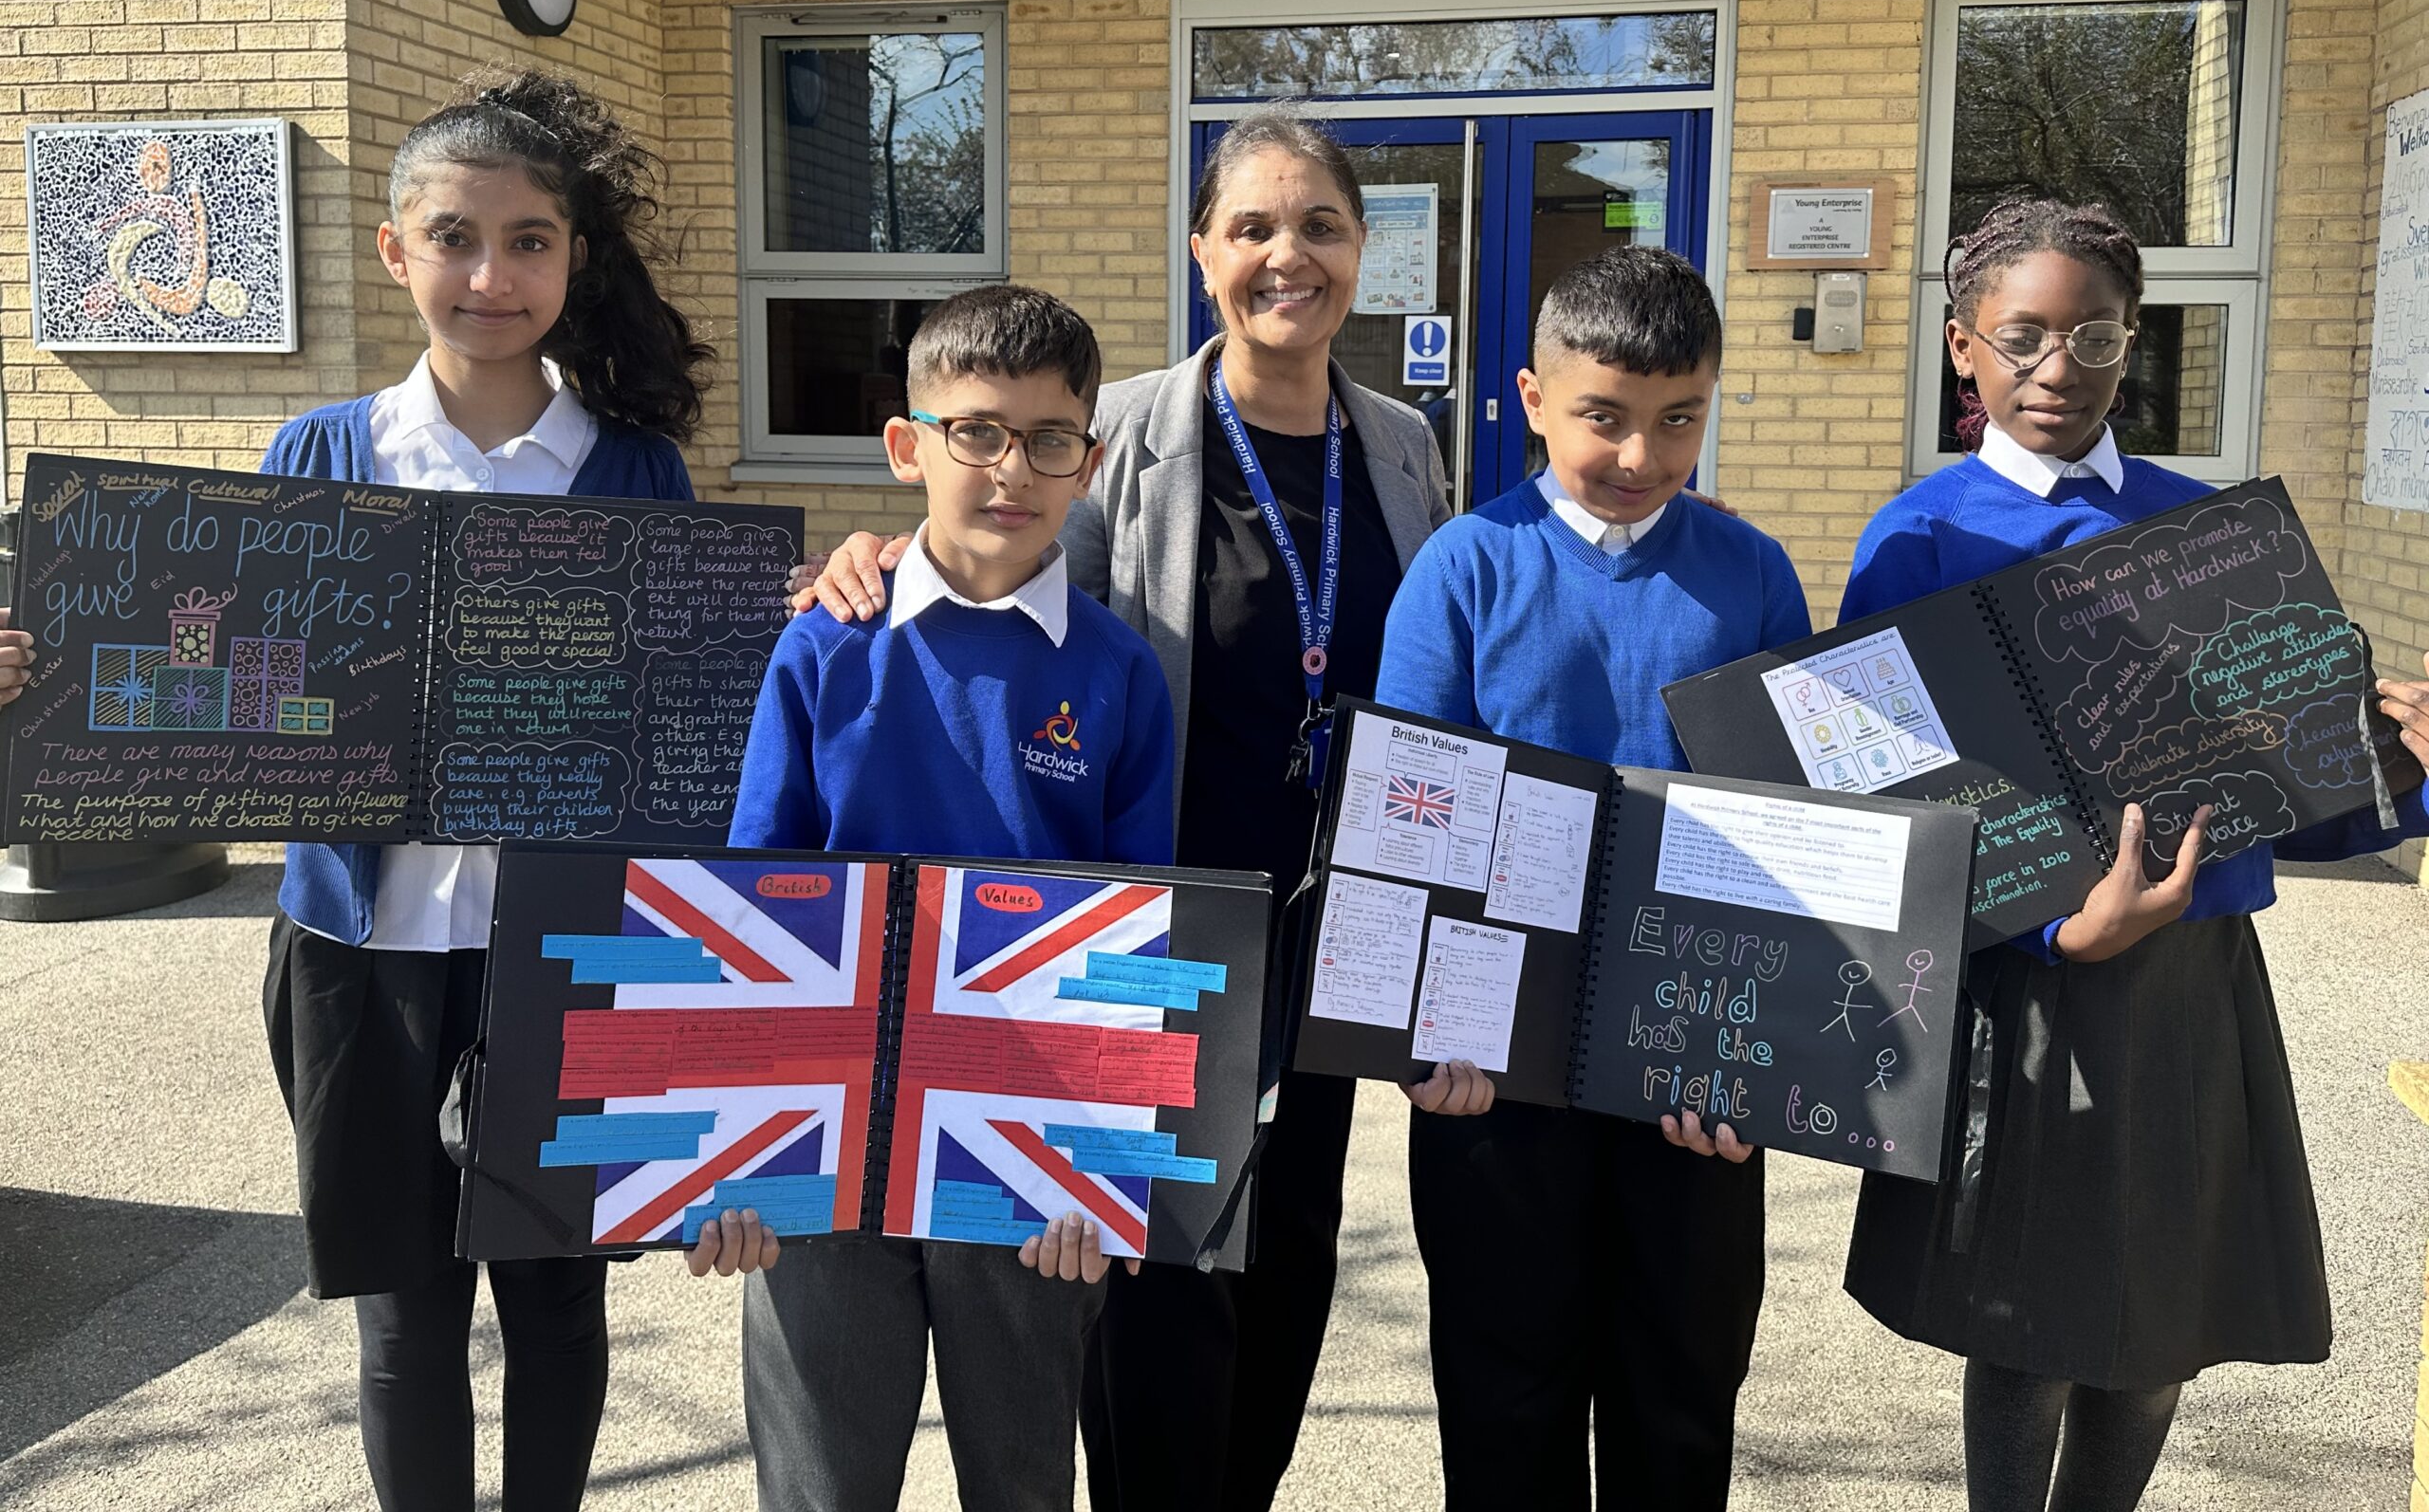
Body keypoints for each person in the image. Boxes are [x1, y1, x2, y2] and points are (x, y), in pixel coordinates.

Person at [803, 110, 1456, 1512]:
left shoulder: (1404, 446)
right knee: (1153, 1266)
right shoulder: (1135, 436)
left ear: (1363, 251)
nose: (1291, 255)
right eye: (1257, 227)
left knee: (1286, 1253)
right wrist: (872, 546)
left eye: (1323, 226)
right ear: (1205, 251)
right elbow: (1002, 569)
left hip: (1327, 938)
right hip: (1150, 936)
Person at [1837, 195, 2429, 1512]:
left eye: (2094, 336)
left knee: (2161, 1323)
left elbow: (2307, 796)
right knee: (2029, 1321)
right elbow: (1891, 808)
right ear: (1962, 348)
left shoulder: (2210, 535)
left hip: (2193, 982)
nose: (2059, 369)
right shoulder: (1917, 543)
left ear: (2131, 342)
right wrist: (2056, 931)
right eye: (2023, 336)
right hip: (2038, 982)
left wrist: (2403, 769)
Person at [255, 68, 715, 1512]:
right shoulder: (321, 457)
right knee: (402, 1316)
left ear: (573, 259)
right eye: (455, 236)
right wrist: (58, 673)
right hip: (361, 946)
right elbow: (239, 688)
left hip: (568, 949)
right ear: (396, 251)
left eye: (529, 241)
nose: (491, 274)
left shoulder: (635, 473)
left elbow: (691, 713)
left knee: (557, 1300)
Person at [717, 283, 1175, 1512]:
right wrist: (734, 1156)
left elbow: (1137, 945)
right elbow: (755, 907)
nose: (1009, 467)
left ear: (1091, 457)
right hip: (825, 1157)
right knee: (823, 1487)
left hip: (1023, 1164)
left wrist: (1097, 1174)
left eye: (1047, 438)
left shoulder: (1122, 678)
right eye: (975, 430)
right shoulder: (825, 644)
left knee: (1022, 1484)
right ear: (909, 445)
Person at [1374, 245, 1811, 1510]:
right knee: (1507, 1396)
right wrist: (1425, 1034)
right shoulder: (1465, 568)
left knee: (1680, 1394)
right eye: (1604, 420)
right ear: (1530, 398)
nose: (1640, 456)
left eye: (1680, 420)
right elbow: (1412, 818)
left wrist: (1759, 1059)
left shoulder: (1752, 575)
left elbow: (1797, 833)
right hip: (1497, 1080)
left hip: (1694, 1074)